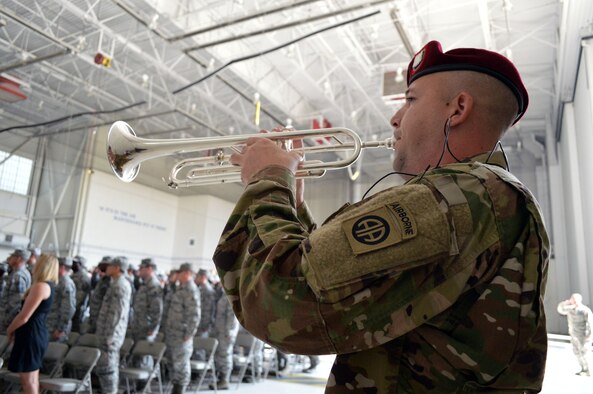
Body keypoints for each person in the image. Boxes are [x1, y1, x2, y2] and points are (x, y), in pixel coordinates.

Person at [212, 40, 550, 392]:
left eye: (411, 99)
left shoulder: (454, 199)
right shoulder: (484, 197)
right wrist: (289, 202)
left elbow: (282, 303)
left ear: (458, 108)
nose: (395, 117)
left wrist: (267, 180)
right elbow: (348, 298)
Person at [6, 254, 58, 394]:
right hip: (33, 333)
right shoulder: (47, 286)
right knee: (31, 379)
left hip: (31, 334)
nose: (33, 265)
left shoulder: (41, 286)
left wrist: (10, 329)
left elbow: (24, 316)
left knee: (28, 379)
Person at [95, 256, 132, 394]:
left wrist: (110, 336)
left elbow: (117, 313)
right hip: (106, 333)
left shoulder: (120, 285)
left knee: (108, 369)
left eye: (110, 266)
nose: (107, 268)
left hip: (110, 335)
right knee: (104, 369)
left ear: (117, 268)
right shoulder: (115, 283)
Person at [164, 263, 200, 394]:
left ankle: (180, 389)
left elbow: (194, 315)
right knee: (173, 362)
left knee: (181, 364)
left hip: (182, 335)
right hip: (172, 334)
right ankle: (176, 387)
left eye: (179, 273)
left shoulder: (191, 289)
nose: (176, 275)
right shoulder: (180, 288)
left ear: (186, 273)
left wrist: (189, 334)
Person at [557, 293, 593, 376]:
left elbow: (591, 323)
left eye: (575, 299)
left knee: (585, 353)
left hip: (584, 335)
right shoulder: (570, 309)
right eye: (572, 299)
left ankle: (589, 370)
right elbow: (560, 309)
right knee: (577, 352)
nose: (573, 301)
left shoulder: (584, 310)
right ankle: (583, 369)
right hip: (574, 335)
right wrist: (565, 303)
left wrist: (591, 335)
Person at [210, 293, 239, 390]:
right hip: (220, 331)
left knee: (225, 354)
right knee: (220, 354)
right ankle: (221, 378)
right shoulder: (224, 294)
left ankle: (224, 380)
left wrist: (229, 332)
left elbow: (232, 316)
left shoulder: (232, 295)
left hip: (226, 332)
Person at [0, 249, 32, 334]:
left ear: (18, 258)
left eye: (12, 256)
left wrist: (6, 321)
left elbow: (16, 303)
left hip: (6, 319)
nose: (9, 258)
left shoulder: (18, 276)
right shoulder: (22, 273)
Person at [46, 257, 76, 343]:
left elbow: (69, 308)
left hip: (56, 326)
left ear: (62, 267)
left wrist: (60, 329)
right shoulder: (56, 280)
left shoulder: (65, 283)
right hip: (50, 323)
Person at [71, 255, 91, 333]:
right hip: (72, 307)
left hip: (77, 309)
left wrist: (71, 307)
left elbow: (80, 297)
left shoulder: (83, 277)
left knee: (74, 329)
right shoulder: (74, 275)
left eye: (75, 263)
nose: (72, 264)